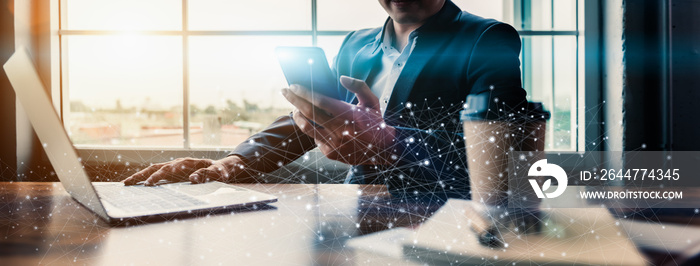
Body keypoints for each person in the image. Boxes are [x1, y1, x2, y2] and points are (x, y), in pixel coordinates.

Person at [123, 0, 527, 202]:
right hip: (353, 206)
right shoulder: (357, 44)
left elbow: (504, 153)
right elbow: (319, 117)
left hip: (444, 213)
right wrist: (237, 161)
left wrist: (390, 143)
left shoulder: (487, 39)